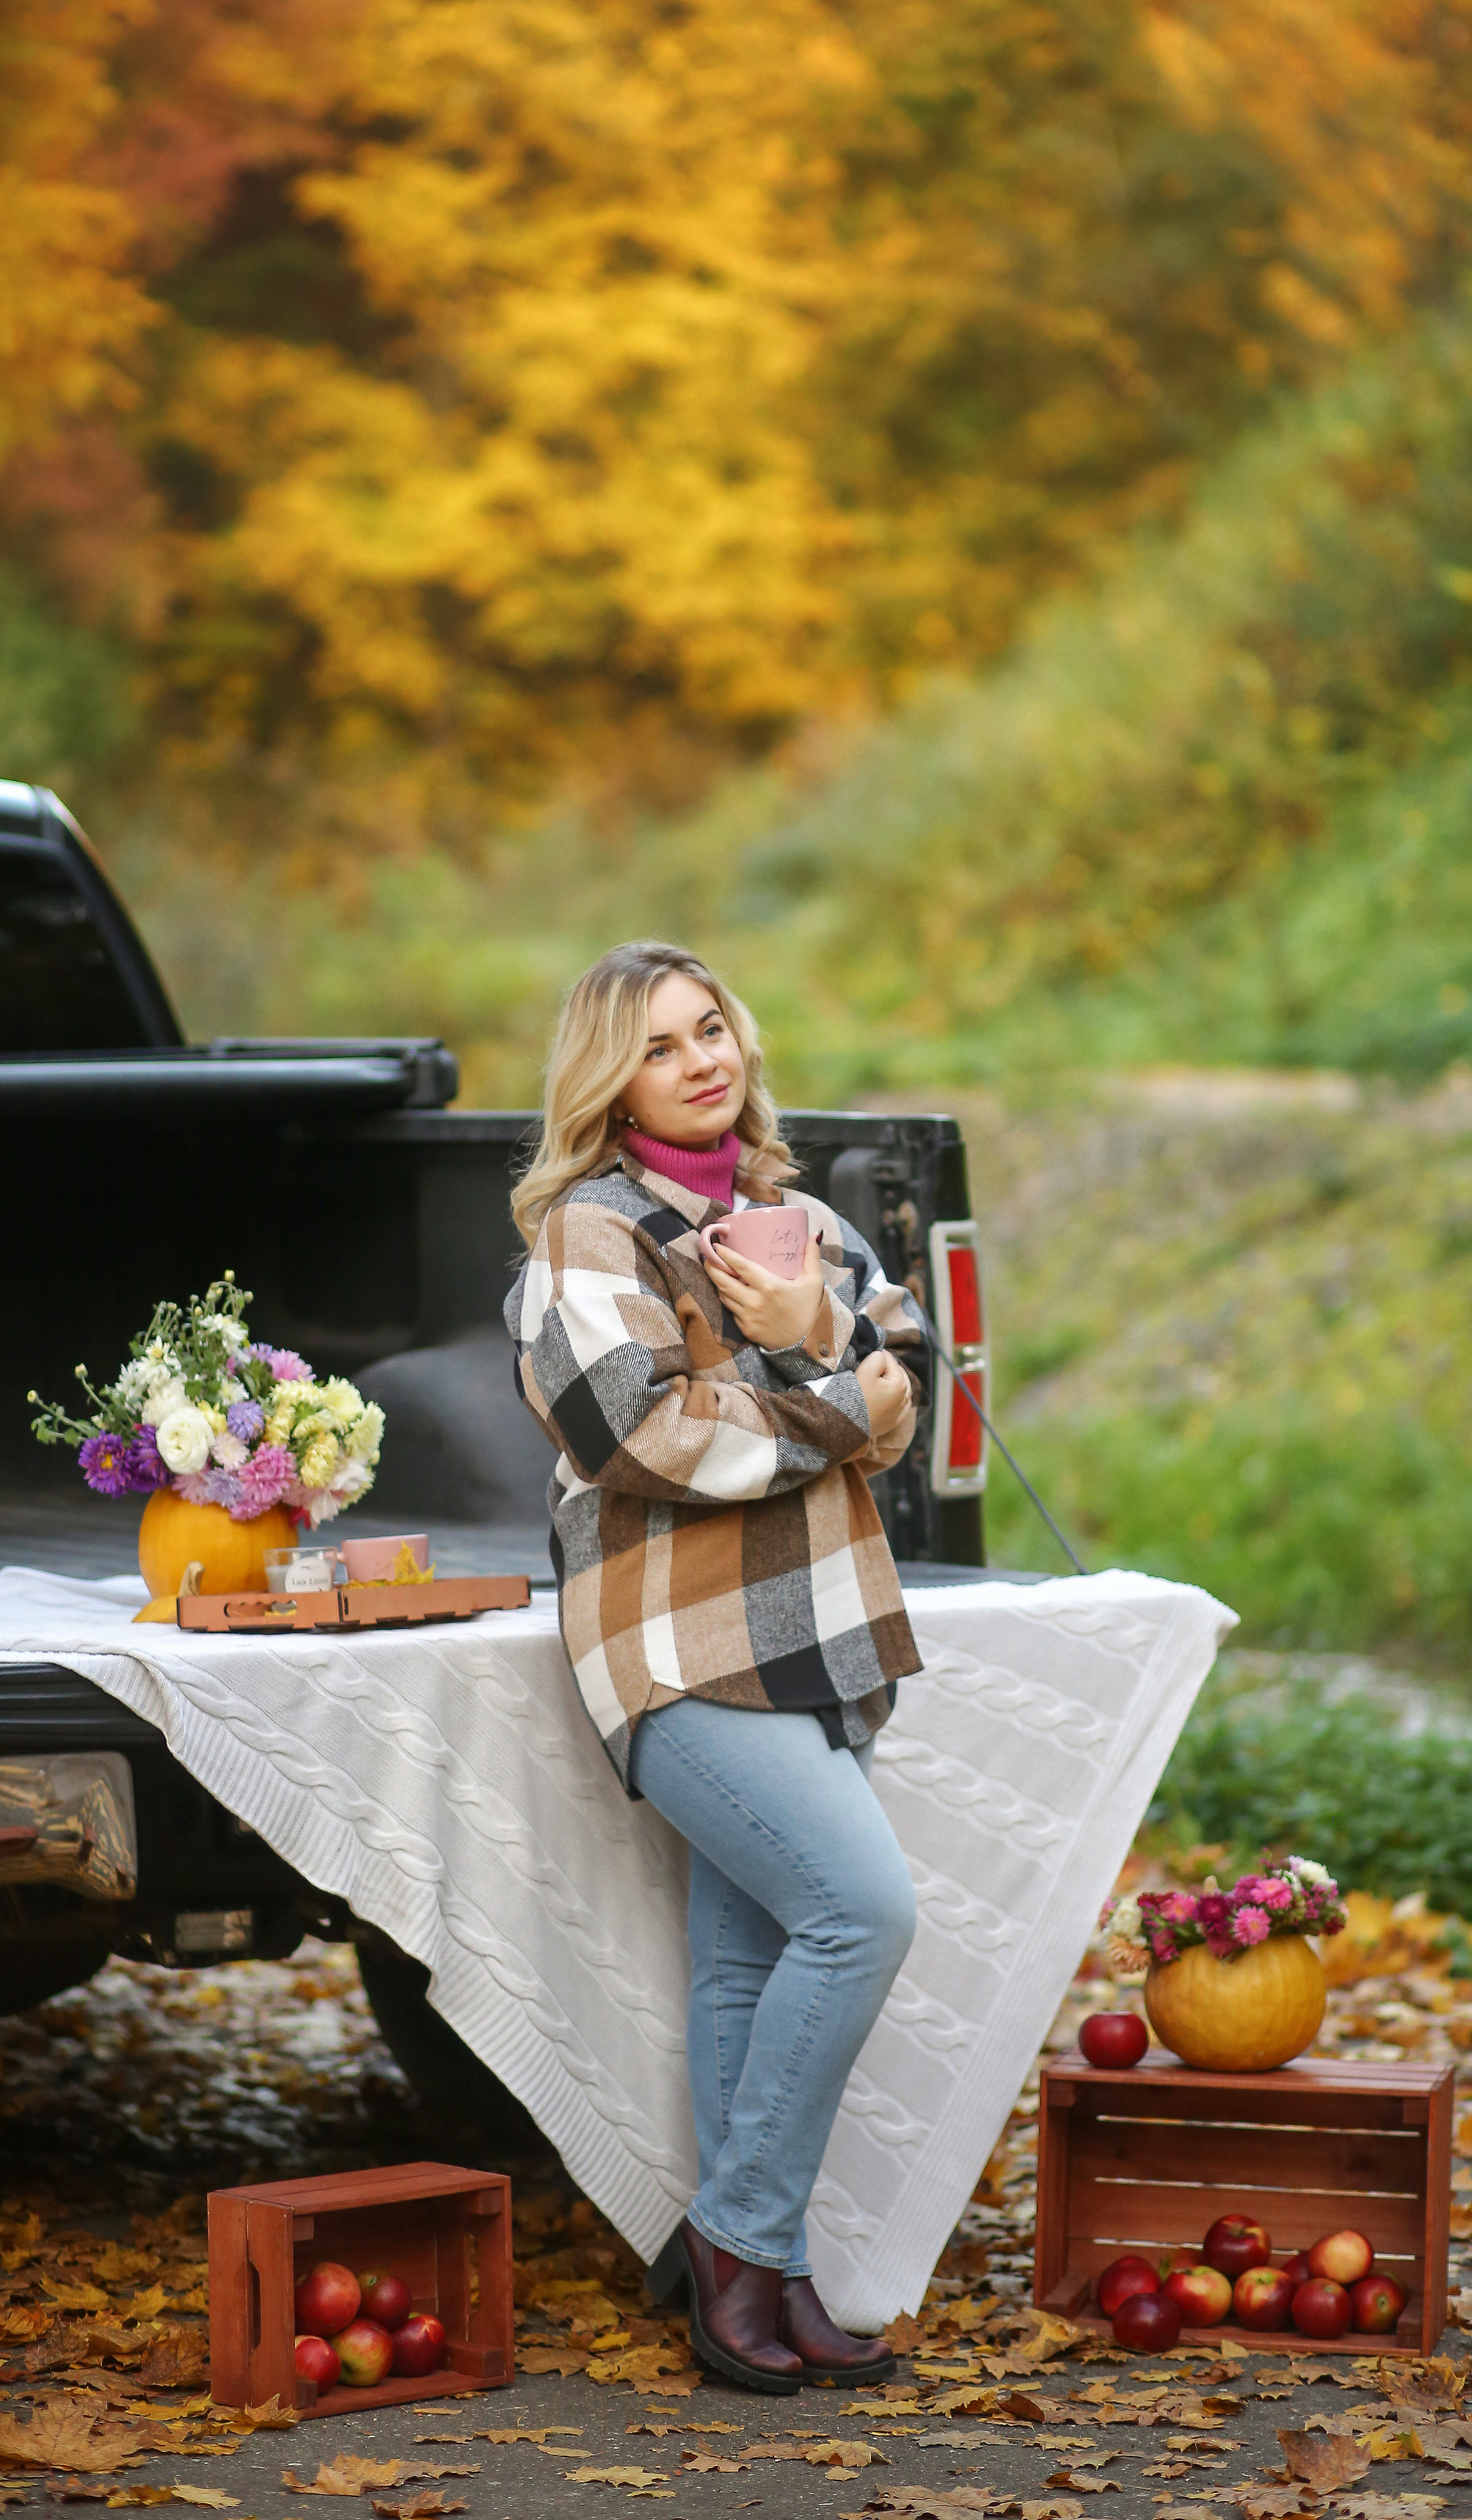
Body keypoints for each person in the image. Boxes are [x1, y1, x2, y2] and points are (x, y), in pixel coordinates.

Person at [505, 940, 926, 2391]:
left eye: (709, 1028)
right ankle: (735, 2243)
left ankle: (777, 2281)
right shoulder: (587, 1236)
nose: (701, 1059)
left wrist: (812, 1375)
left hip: (817, 1624)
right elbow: (641, 1438)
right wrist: (811, 1376)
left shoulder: (795, 1217)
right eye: (659, 1044)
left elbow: (893, 1405)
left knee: (747, 1959)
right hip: (670, 1640)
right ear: (607, 1080)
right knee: (860, 1914)